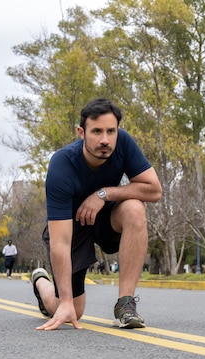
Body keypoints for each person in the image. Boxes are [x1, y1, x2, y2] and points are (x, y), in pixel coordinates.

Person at [30, 98, 162, 331]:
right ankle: (41, 283)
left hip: (105, 217)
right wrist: (67, 302)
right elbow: (60, 241)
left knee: (134, 207)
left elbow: (154, 189)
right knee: (73, 311)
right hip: (73, 228)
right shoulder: (62, 165)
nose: (105, 139)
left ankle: (126, 304)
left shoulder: (123, 144)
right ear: (81, 132)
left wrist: (103, 194)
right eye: (97, 131)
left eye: (111, 131)